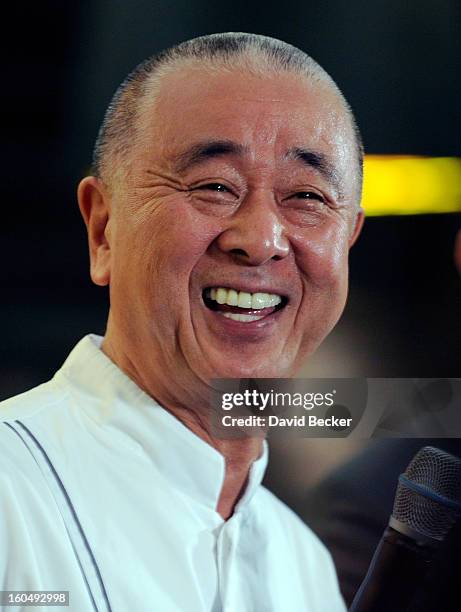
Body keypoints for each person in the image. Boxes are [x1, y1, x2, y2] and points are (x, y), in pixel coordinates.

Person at [0, 33, 364, 611]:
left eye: (307, 197)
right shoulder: (12, 491)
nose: (262, 240)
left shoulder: (306, 570)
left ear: (348, 242)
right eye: (215, 186)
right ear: (103, 229)